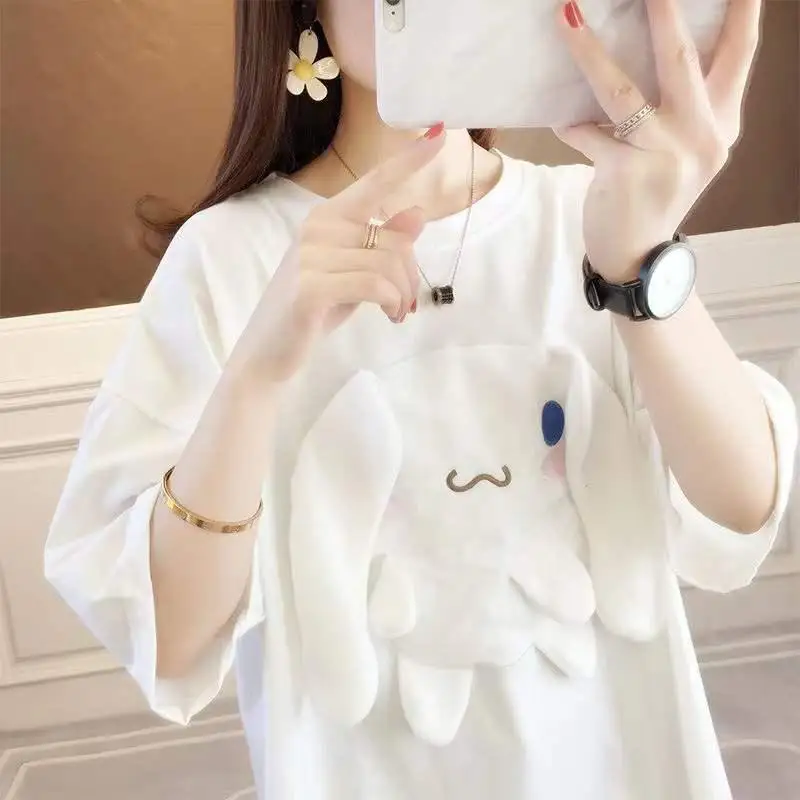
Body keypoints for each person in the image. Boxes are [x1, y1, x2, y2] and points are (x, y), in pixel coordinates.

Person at [45, 1, 796, 798]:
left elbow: (744, 508)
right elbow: (169, 638)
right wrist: (256, 375)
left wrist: (638, 268)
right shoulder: (228, 257)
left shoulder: (594, 212)